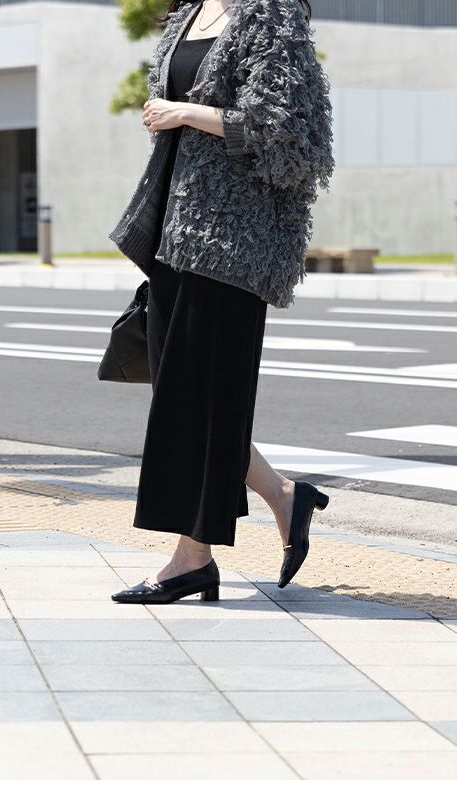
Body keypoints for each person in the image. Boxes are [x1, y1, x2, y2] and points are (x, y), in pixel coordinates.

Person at [107, 0, 335, 604]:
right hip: (176, 229)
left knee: (204, 394)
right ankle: (283, 495)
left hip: (235, 238)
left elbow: (292, 135)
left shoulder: (270, 15)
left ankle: (191, 559)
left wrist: (187, 112)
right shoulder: (188, 14)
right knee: (185, 393)